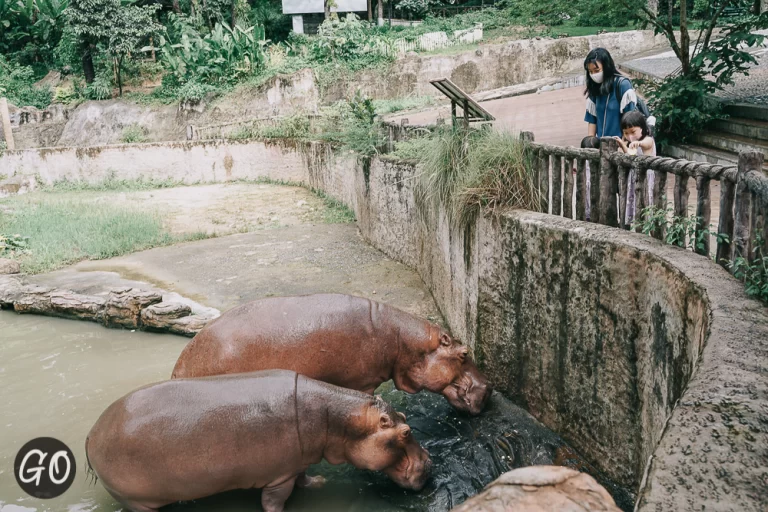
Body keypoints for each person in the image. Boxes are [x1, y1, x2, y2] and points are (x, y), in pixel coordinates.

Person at [583, 48, 638, 139]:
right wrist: (590, 145)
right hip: (602, 146)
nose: (593, 75)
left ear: (606, 66)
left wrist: (624, 146)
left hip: (621, 144)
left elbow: (630, 121)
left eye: (597, 70)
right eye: (590, 71)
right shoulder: (594, 87)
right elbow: (592, 120)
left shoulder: (622, 85)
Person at [614, 111, 656, 225]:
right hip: (634, 177)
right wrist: (623, 145)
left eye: (633, 132)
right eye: (626, 133)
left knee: (645, 201)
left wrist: (639, 143)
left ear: (642, 128)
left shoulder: (648, 139)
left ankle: (647, 224)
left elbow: (647, 143)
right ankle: (635, 223)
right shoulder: (632, 143)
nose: (629, 136)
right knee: (634, 202)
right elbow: (631, 154)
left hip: (645, 177)